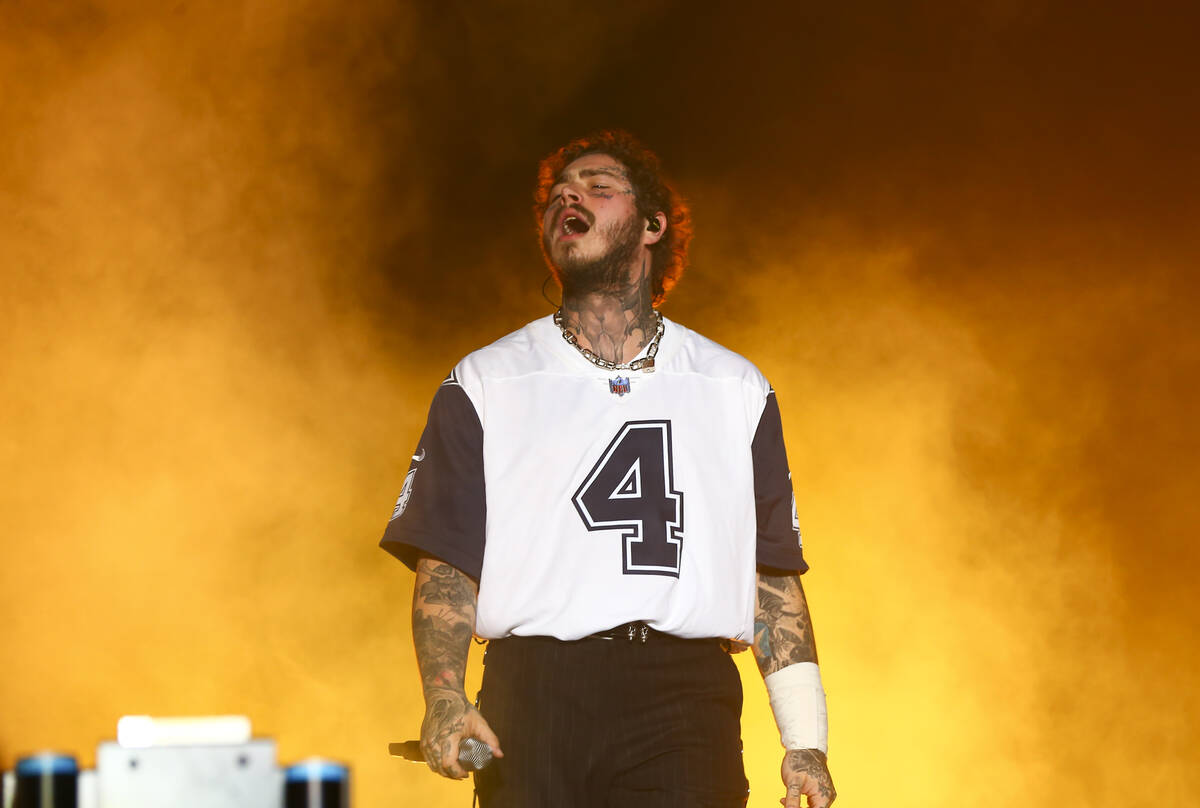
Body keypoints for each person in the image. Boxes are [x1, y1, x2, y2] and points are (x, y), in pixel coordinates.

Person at [380, 130, 836, 808]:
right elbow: (447, 562)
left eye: (597, 187)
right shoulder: (485, 380)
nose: (569, 198)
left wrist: (805, 740)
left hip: (683, 695)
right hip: (534, 691)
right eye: (556, 196)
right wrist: (445, 697)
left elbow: (770, 575)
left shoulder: (733, 386)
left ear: (652, 225)